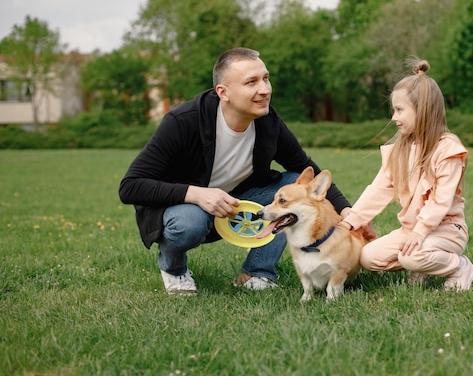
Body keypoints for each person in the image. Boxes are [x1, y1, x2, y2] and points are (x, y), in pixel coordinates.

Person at [119, 47, 351, 295]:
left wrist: (347, 212)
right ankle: (174, 269)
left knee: (294, 186)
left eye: (265, 78)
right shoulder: (183, 121)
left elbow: (307, 170)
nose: (265, 89)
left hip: (235, 207)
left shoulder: (268, 122)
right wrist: (197, 195)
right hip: (186, 210)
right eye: (251, 82)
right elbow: (130, 186)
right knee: (189, 222)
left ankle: (256, 273)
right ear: (223, 92)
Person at [339, 58, 473, 291]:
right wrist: (351, 221)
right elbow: (378, 189)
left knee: (411, 257)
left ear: (422, 110)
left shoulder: (447, 150)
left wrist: (421, 233)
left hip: (446, 230)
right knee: (368, 258)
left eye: (400, 110)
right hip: (411, 231)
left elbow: (440, 201)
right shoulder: (400, 150)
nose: (394, 117)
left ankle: (459, 266)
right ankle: (420, 262)